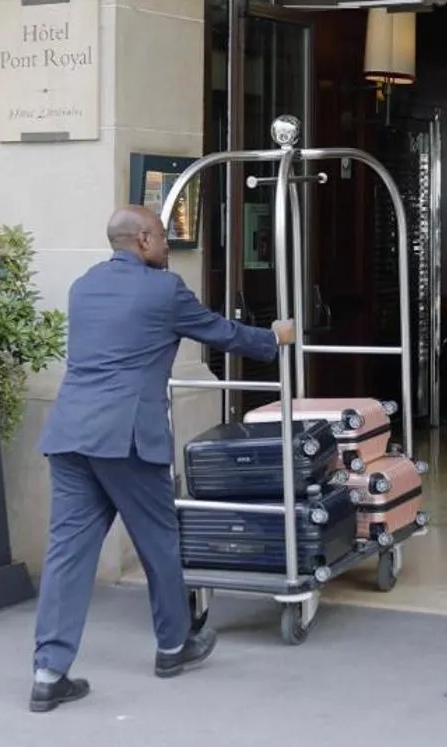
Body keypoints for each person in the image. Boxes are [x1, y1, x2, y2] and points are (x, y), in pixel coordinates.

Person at [30, 205, 295, 712]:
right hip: (127, 439)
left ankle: (48, 671)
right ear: (145, 239)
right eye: (165, 238)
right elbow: (220, 333)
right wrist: (275, 338)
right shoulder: (162, 291)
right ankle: (174, 646)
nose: (171, 245)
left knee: (67, 554)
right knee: (158, 542)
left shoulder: (83, 286)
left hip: (70, 435)